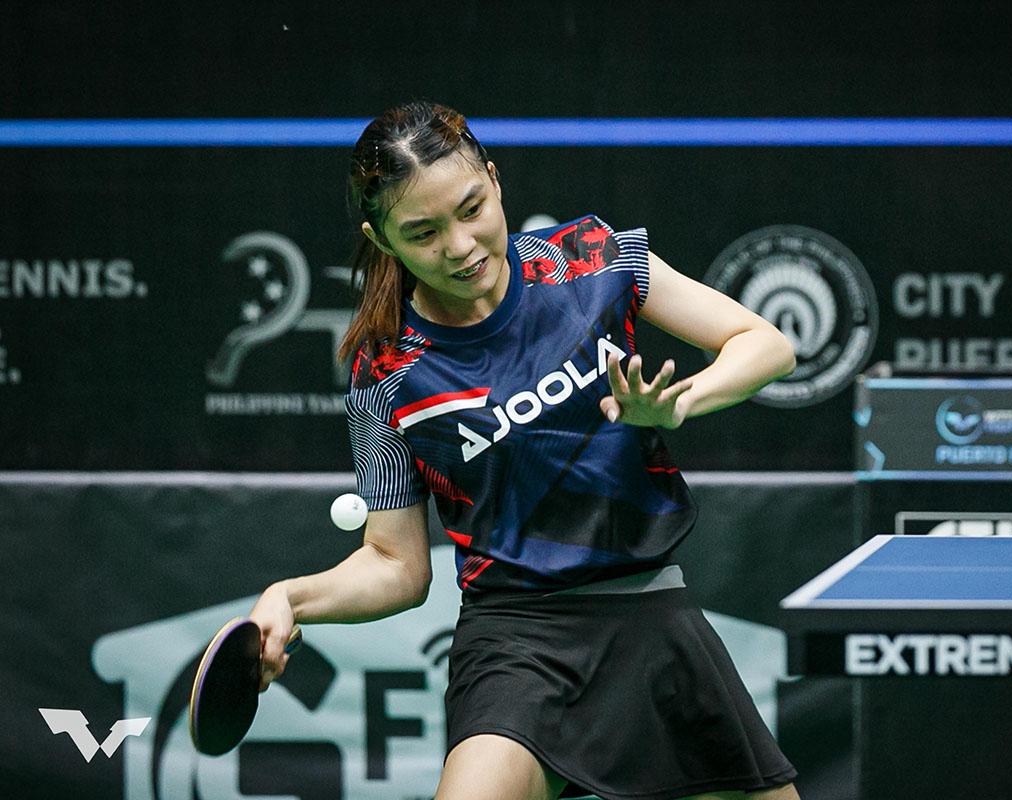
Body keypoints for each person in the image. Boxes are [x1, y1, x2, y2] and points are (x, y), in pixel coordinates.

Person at [249, 101, 800, 800]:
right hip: (518, 642)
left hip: (652, 613)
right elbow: (396, 566)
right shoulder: (385, 372)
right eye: (422, 232)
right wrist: (290, 598)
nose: (460, 246)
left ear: (494, 179)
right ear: (380, 238)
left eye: (471, 209)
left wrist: (680, 401)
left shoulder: (591, 258)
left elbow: (765, 344)